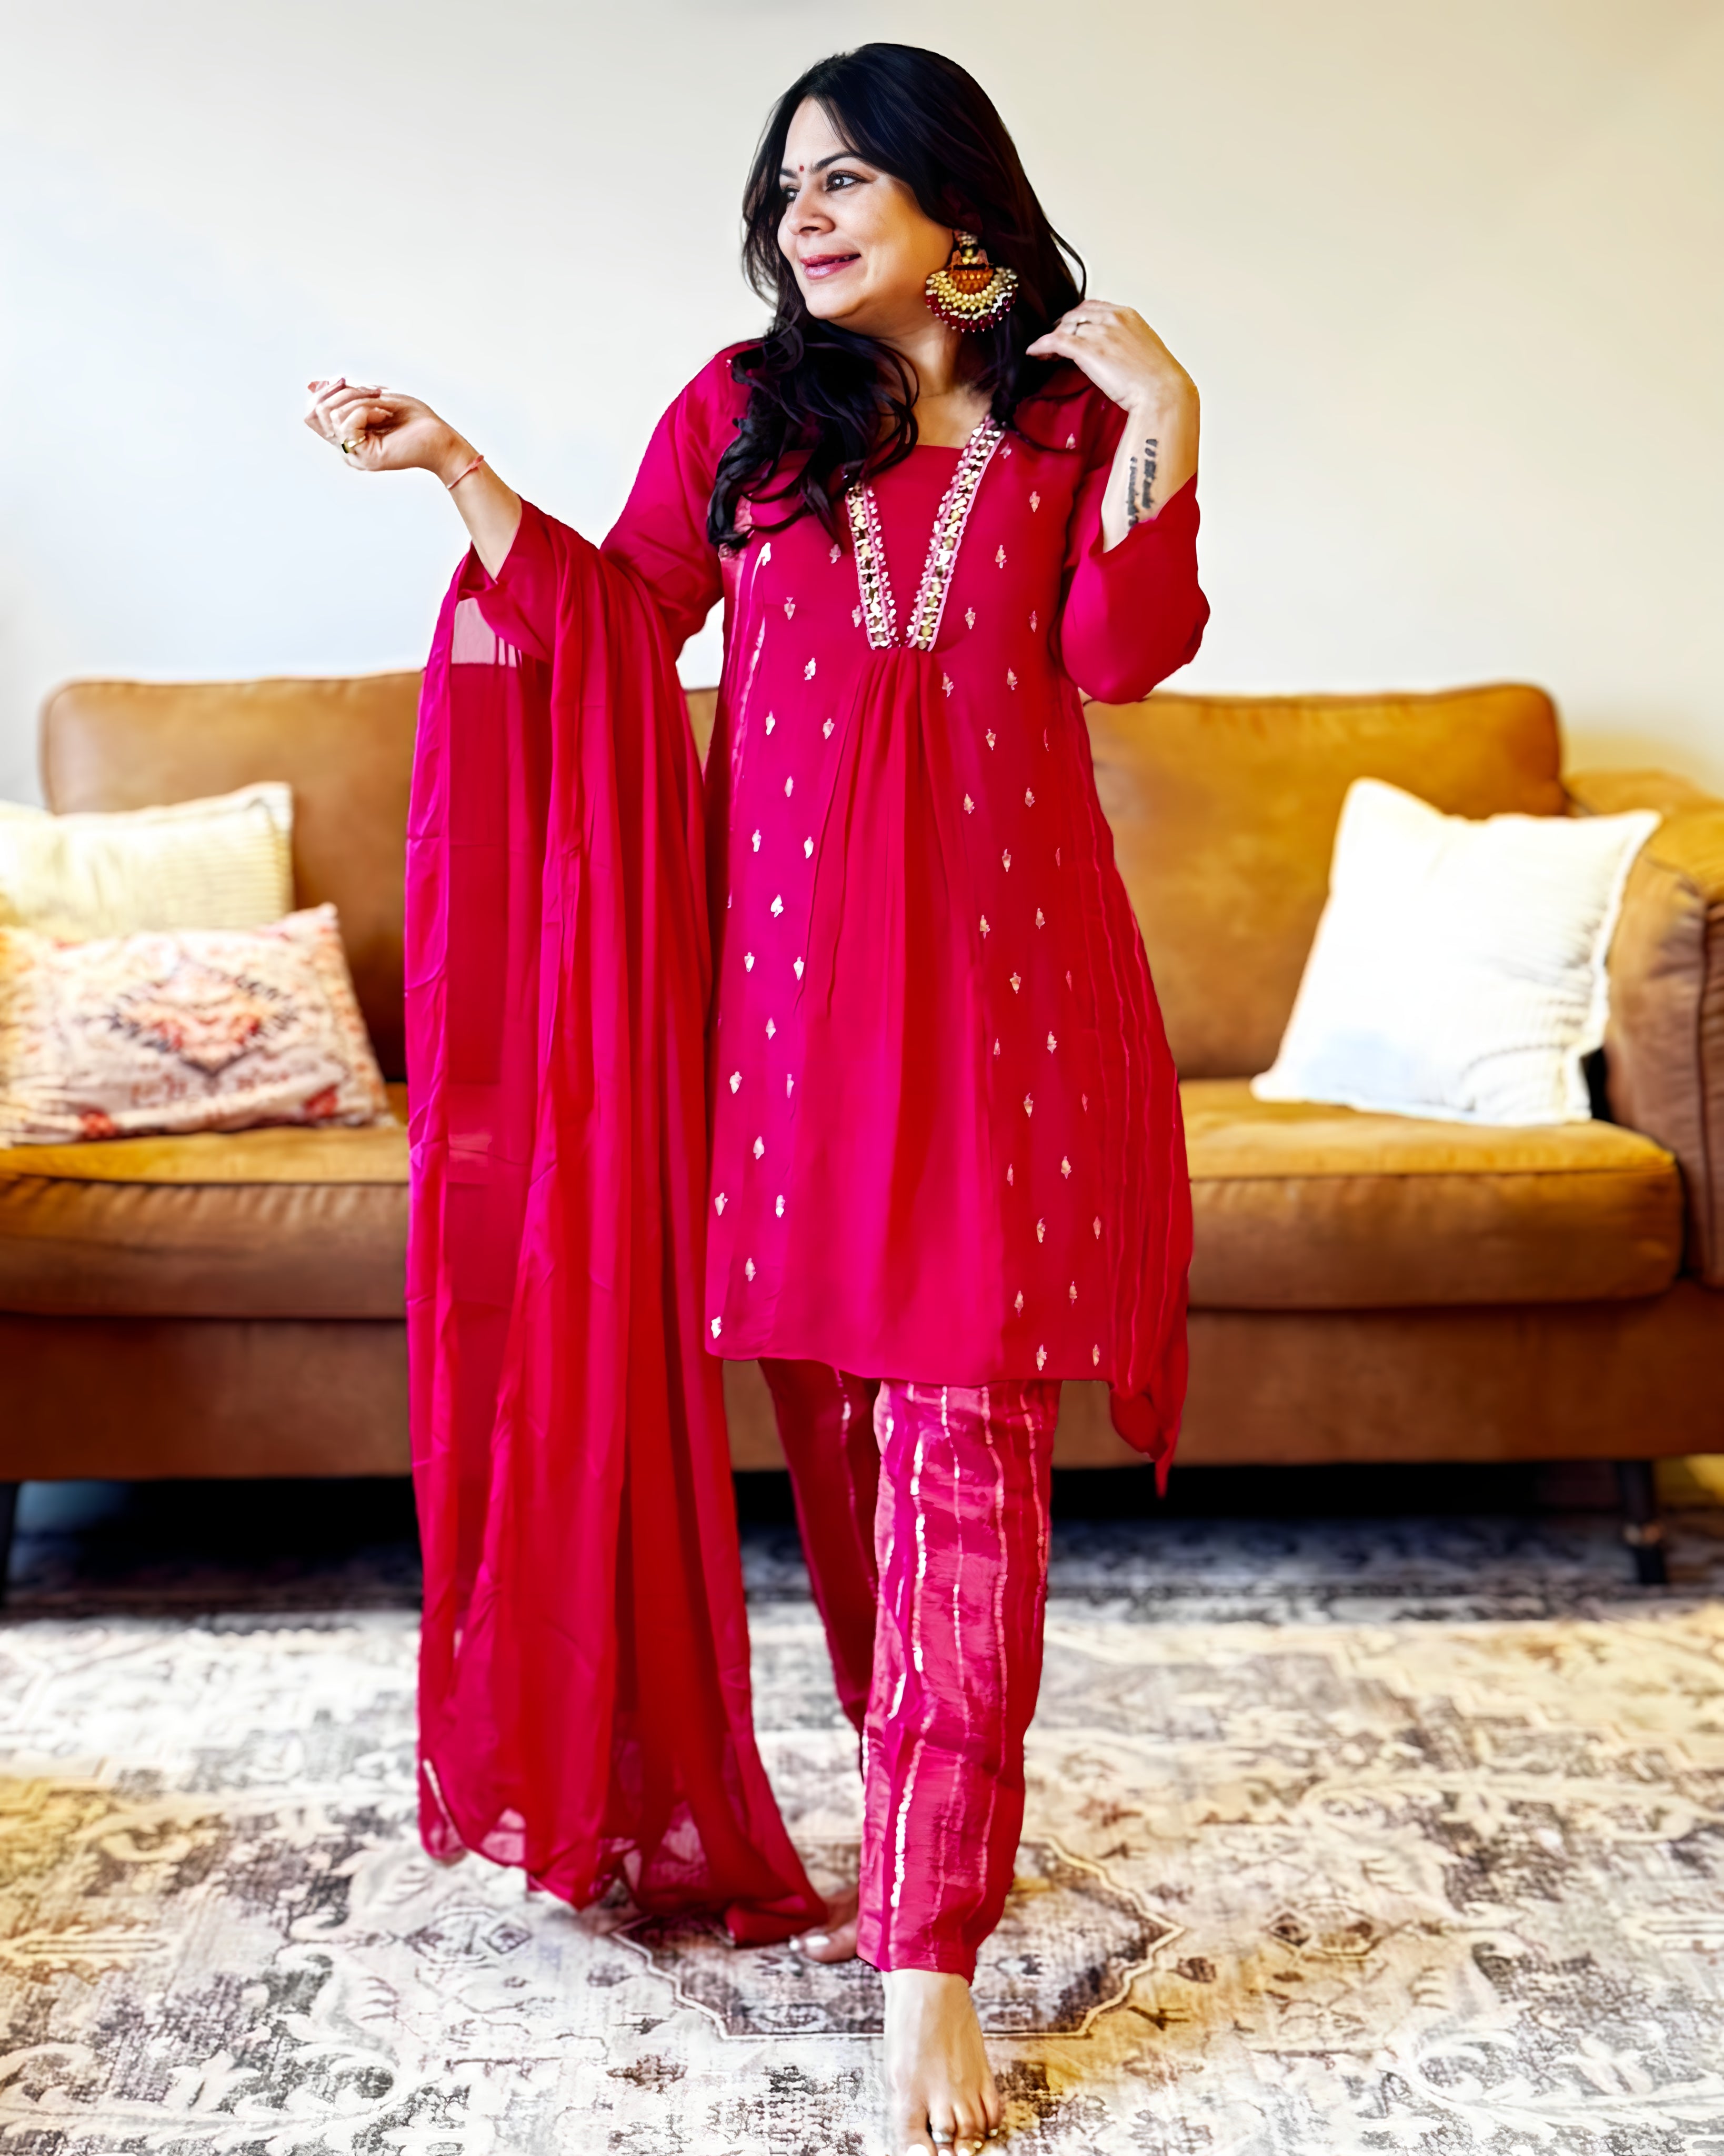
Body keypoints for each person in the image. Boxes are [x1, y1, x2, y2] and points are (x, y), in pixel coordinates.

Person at [306, 42, 1205, 2156]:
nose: (804, 212)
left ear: (964, 220)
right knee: (857, 1452)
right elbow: (618, 629)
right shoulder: (739, 421)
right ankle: (938, 1815)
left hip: (1014, 1015)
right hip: (782, 1020)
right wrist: (460, 474)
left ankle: (928, 1954)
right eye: (787, 183)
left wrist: (1171, 411)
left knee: (968, 1441)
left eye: (853, 181)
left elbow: (1126, 654)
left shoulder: (1072, 427)